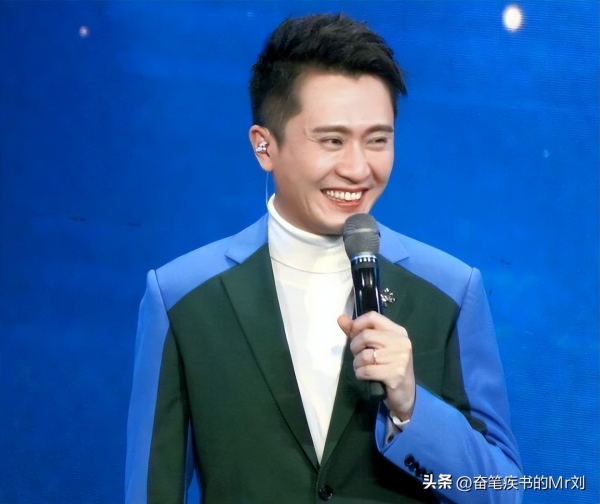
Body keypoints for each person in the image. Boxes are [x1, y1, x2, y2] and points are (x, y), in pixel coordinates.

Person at [126, 13, 522, 504]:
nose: (357, 168)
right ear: (264, 146)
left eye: (378, 140)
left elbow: (503, 491)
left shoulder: (450, 290)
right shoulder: (182, 297)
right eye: (332, 140)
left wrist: (411, 406)